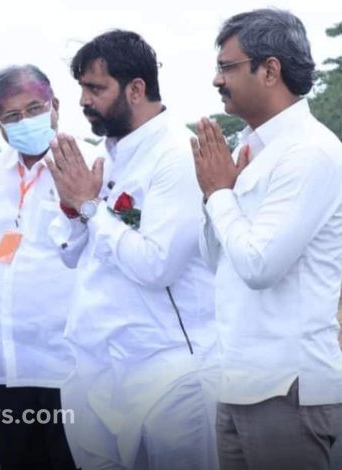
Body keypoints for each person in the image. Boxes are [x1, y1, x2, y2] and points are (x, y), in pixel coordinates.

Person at [47, 31, 218, 469]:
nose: (83, 100)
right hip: (96, 365)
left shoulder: (176, 155)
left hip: (168, 371)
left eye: (95, 88)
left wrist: (90, 207)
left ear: (136, 89)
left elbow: (156, 265)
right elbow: (70, 254)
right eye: (82, 88)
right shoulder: (105, 155)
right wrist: (74, 208)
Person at [192, 9, 342, 470]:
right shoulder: (252, 148)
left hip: (286, 388)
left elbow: (259, 266)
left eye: (227, 67)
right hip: (238, 381)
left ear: (270, 70)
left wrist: (220, 194)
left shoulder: (310, 153)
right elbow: (217, 259)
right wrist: (217, 195)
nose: (217, 80)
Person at [0, 64, 86, 469]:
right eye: (12, 116)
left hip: (73, 369)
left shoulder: (89, 164)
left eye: (34, 109)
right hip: (7, 368)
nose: (25, 121)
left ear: (55, 105)